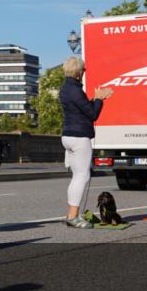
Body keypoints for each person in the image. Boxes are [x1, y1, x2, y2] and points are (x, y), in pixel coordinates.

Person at [59, 56, 113, 228]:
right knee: (82, 176)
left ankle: (70, 214)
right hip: (79, 137)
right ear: (79, 72)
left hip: (67, 135)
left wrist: (95, 99)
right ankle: (74, 217)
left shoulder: (65, 89)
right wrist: (99, 99)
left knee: (76, 177)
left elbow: (81, 109)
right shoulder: (76, 90)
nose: (84, 73)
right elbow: (92, 114)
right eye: (83, 70)